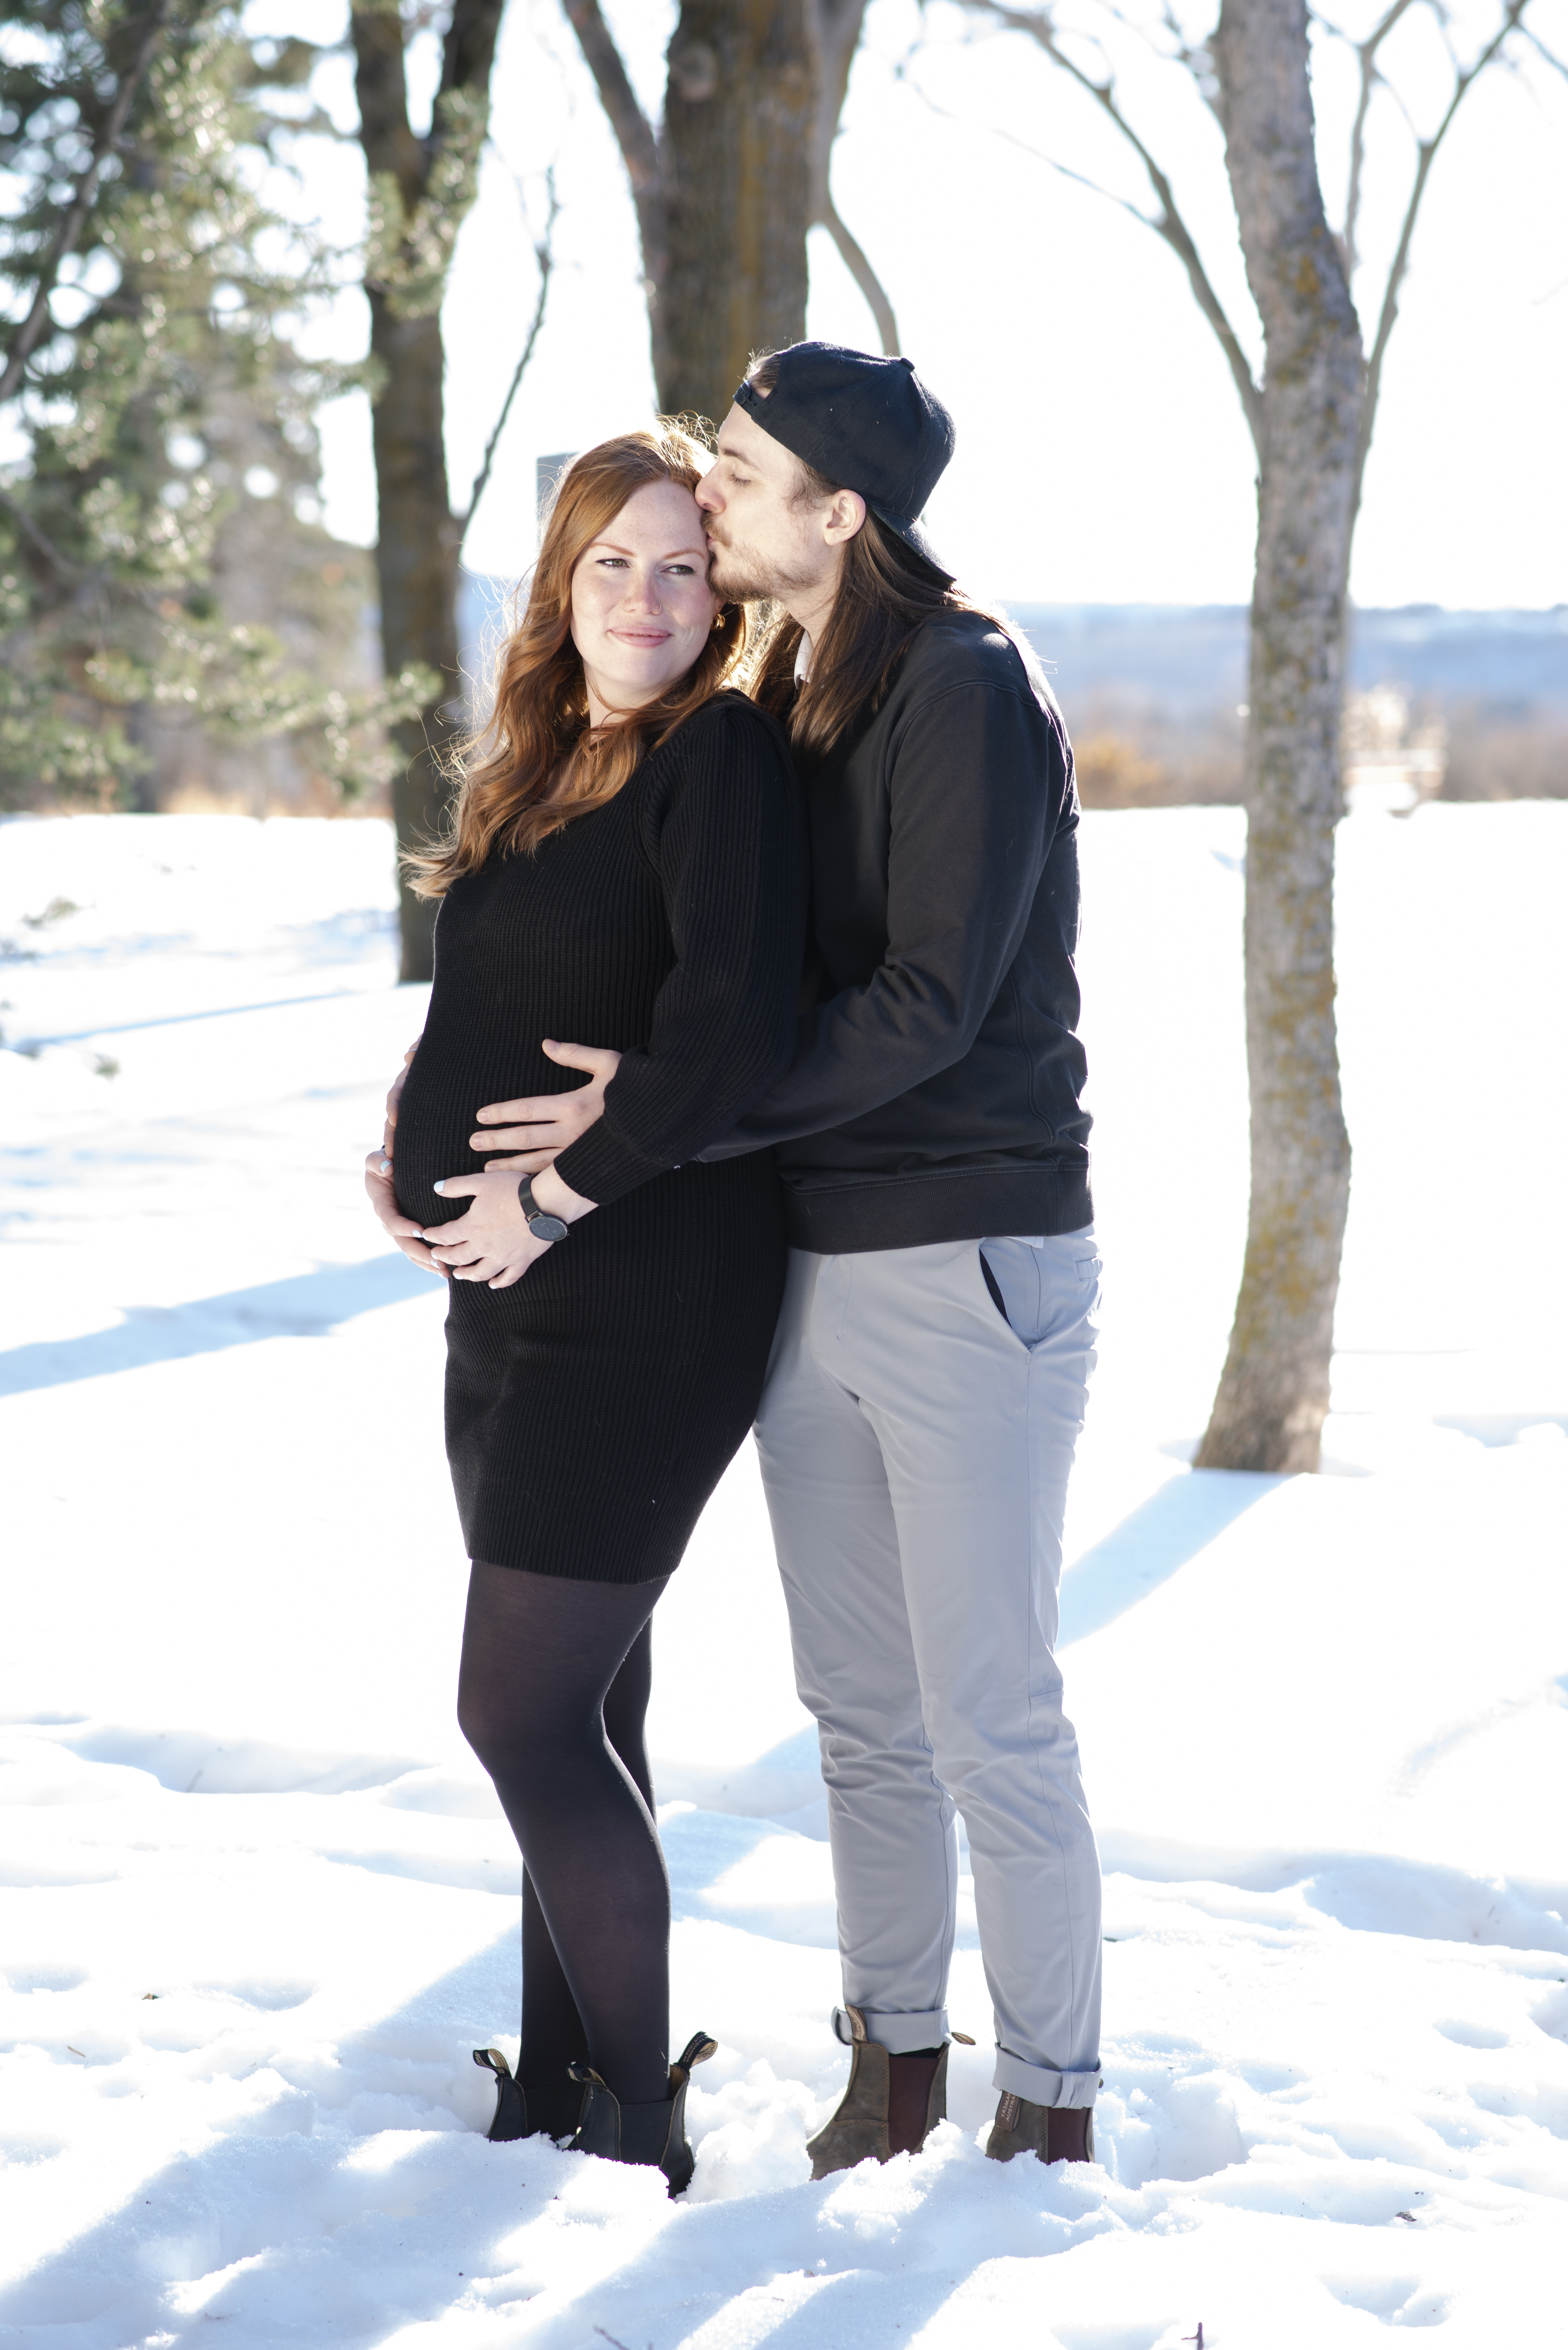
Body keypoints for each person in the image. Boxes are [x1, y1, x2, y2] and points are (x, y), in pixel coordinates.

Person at [498, 344, 1104, 2175]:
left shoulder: (963, 683)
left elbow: (929, 1003)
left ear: (841, 515)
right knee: (859, 1716)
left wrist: (669, 1116)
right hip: (815, 1256)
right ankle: (892, 2067)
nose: (713, 495)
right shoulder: (787, 685)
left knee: (990, 1713)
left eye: (746, 476)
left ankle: (1051, 2108)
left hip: (969, 1252)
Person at [363, 423, 806, 2196]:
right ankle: (553, 2084)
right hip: (504, 1300)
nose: (647, 595)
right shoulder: (539, 762)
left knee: (522, 1719)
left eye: (682, 565)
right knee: (589, 1718)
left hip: (645, 1293)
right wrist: (409, 1139)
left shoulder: (721, 757)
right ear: (561, 579)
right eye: (613, 561)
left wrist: (547, 1195)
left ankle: (634, 2117)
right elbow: (493, 995)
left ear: (720, 594)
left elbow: (733, 1026)